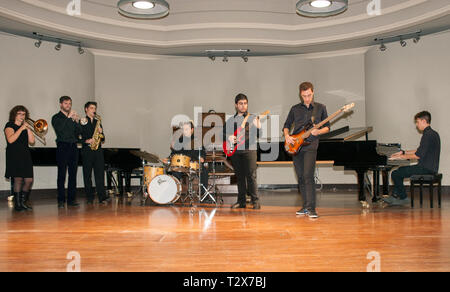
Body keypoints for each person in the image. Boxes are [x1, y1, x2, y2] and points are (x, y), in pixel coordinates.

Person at [283, 82, 330, 218]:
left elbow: (327, 127)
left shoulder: (321, 108)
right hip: (296, 146)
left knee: (308, 175)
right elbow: (286, 125)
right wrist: (287, 137)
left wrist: (318, 132)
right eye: (304, 96)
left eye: (309, 95)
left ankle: (312, 208)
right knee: (301, 177)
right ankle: (305, 206)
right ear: (300, 94)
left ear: (313, 92)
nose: (307, 98)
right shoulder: (295, 108)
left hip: (311, 146)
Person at [383, 111, 441, 206]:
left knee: (395, 174)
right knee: (400, 170)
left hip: (425, 168)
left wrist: (401, 157)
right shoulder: (433, 133)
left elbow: (418, 155)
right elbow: (419, 150)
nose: (417, 125)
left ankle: (403, 198)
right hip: (429, 167)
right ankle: (394, 196)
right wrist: (404, 152)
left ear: (423, 121)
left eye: (417, 122)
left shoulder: (427, 135)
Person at [223, 93, 262, 210]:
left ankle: (255, 201)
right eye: (240, 103)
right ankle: (241, 202)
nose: (243, 106)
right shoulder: (231, 120)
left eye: (245, 103)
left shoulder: (252, 118)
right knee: (239, 177)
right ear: (236, 105)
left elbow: (259, 134)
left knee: (251, 176)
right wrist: (229, 137)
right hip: (236, 151)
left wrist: (258, 126)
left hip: (250, 150)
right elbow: (222, 134)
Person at [51, 96, 82, 209]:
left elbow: (79, 133)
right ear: (61, 104)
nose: (68, 106)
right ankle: (60, 200)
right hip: (62, 146)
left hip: (73, 146)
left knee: (73, 175)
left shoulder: (72, 118)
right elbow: (60, 130)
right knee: (61, 175)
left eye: (69, 104)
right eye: (66, 103)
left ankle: (71, 200)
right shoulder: (56, 117)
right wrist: (69, 118)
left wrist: (77, 121)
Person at [4, 106, 35, 211]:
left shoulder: (25, 127)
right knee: (18, 179)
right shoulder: (9, 125)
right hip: (14, 154)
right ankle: (18, 204)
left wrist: (29, 129)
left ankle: (23, 202)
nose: (22, 116)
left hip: (25, 154)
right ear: (14, 115)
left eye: (24, 114)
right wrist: (21, 128)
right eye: (20, 114)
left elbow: (31, 141)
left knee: (29, 180)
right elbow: (11, 140)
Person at [164, 121, 209, 195]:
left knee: (204, 169)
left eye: (186, 129)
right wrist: (168, 159)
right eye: (183, 129)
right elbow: (174, 154)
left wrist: (202, 158)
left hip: (194, 164)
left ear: (192, 130)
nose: (184, 131)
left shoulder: (197, 140)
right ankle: (174, 193)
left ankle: (203, 194)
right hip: (183, 165)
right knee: (175, 170)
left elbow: (203, 152)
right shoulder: (180, 141)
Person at [80, 102, 109, 205]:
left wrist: (101, 132)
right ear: (86, 109)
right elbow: (78, 137)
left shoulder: (98, 122)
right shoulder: (82, 121)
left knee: (100, 174)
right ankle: (89, 198)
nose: (94, 110)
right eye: (91, 108)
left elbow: (103, 138)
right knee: (87, 175)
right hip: (87, 150)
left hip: (98, 151)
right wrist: (86, 141)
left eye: (95, 108)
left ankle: (102, 197)